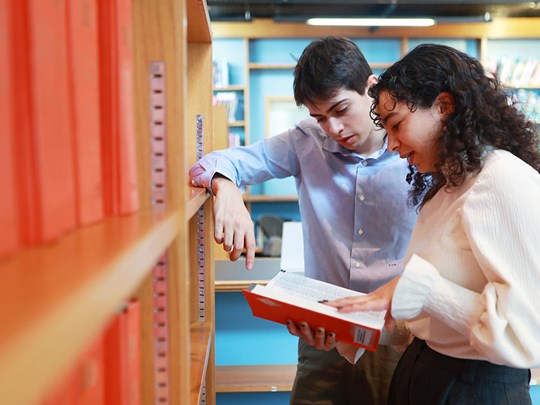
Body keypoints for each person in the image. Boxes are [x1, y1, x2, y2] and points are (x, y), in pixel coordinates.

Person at [189, 36, 418, 404]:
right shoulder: (303, 142)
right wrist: (226, 189)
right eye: (319, 117)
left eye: (341, 109)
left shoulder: (415, 151)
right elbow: (216, 162)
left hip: (393, 336)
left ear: (370, 87)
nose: (333, 128)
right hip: (320, 334)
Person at [328, 43, 540, 404]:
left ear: (443, 107)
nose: (392, 145)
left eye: (397, 125)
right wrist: (350, 328)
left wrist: (423, 289)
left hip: (475, 389)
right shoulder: (446, 189)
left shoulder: (502, 178)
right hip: (424, 374)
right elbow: (435, 323)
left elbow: (527, 334)